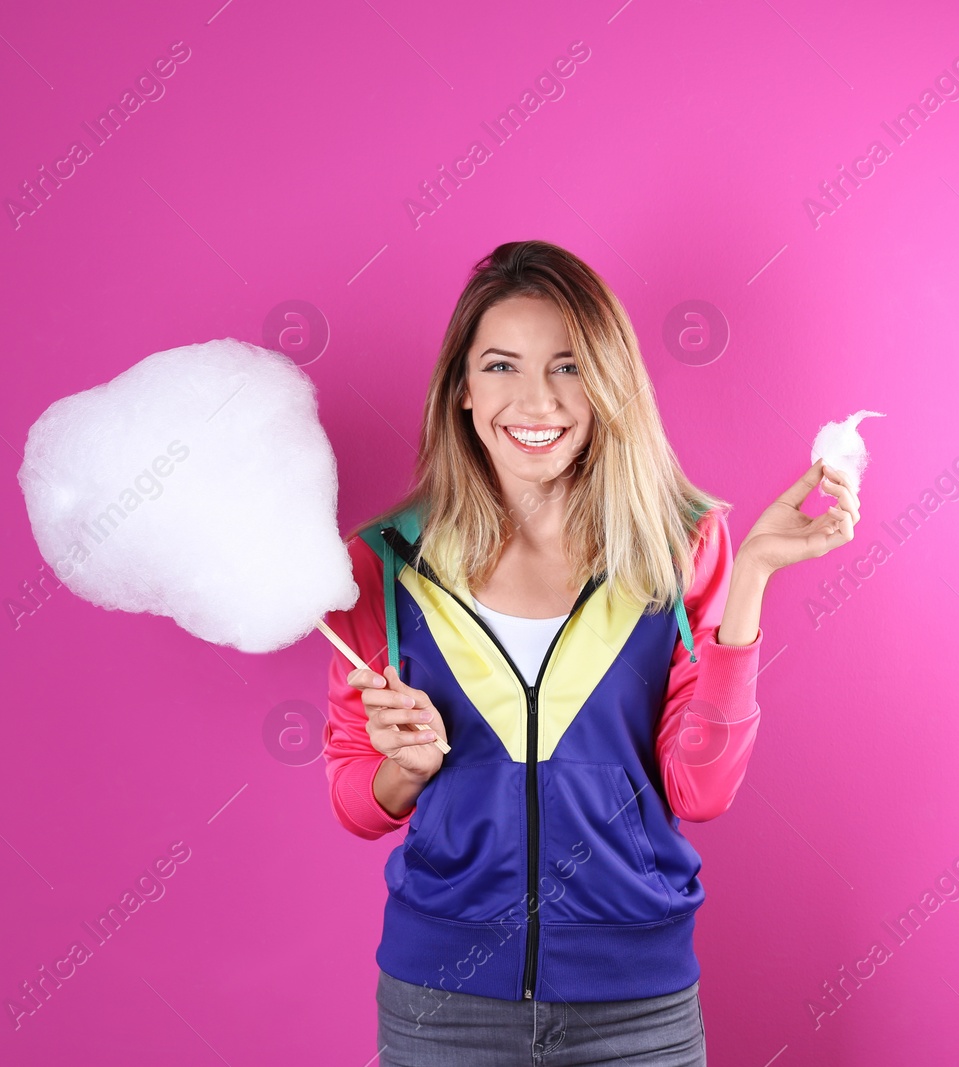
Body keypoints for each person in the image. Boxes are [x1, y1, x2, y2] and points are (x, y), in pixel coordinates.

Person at [321, 239, 862, 1065]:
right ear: (461, 390)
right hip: (443, 1007)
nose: (535, 400)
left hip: (636, 1009)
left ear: (608, 386)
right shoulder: (382, 565)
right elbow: (357, 802)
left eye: (568, 367)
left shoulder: (682, 548)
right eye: (501, 365)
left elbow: (700, 788)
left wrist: (750, 576)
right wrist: (403, 767)